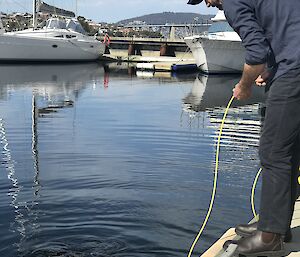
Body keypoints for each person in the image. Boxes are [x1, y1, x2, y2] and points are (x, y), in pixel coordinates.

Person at [187, 0, 300, 256]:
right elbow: (287, 33)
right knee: (289, 151)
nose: (207, 3)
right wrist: (272, 71)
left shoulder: (233, 2)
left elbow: (257, 52)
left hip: (294, 71)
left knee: (274, 153)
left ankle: (270, 237)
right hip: (292, 65)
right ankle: (276, 225)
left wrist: (245, 85)